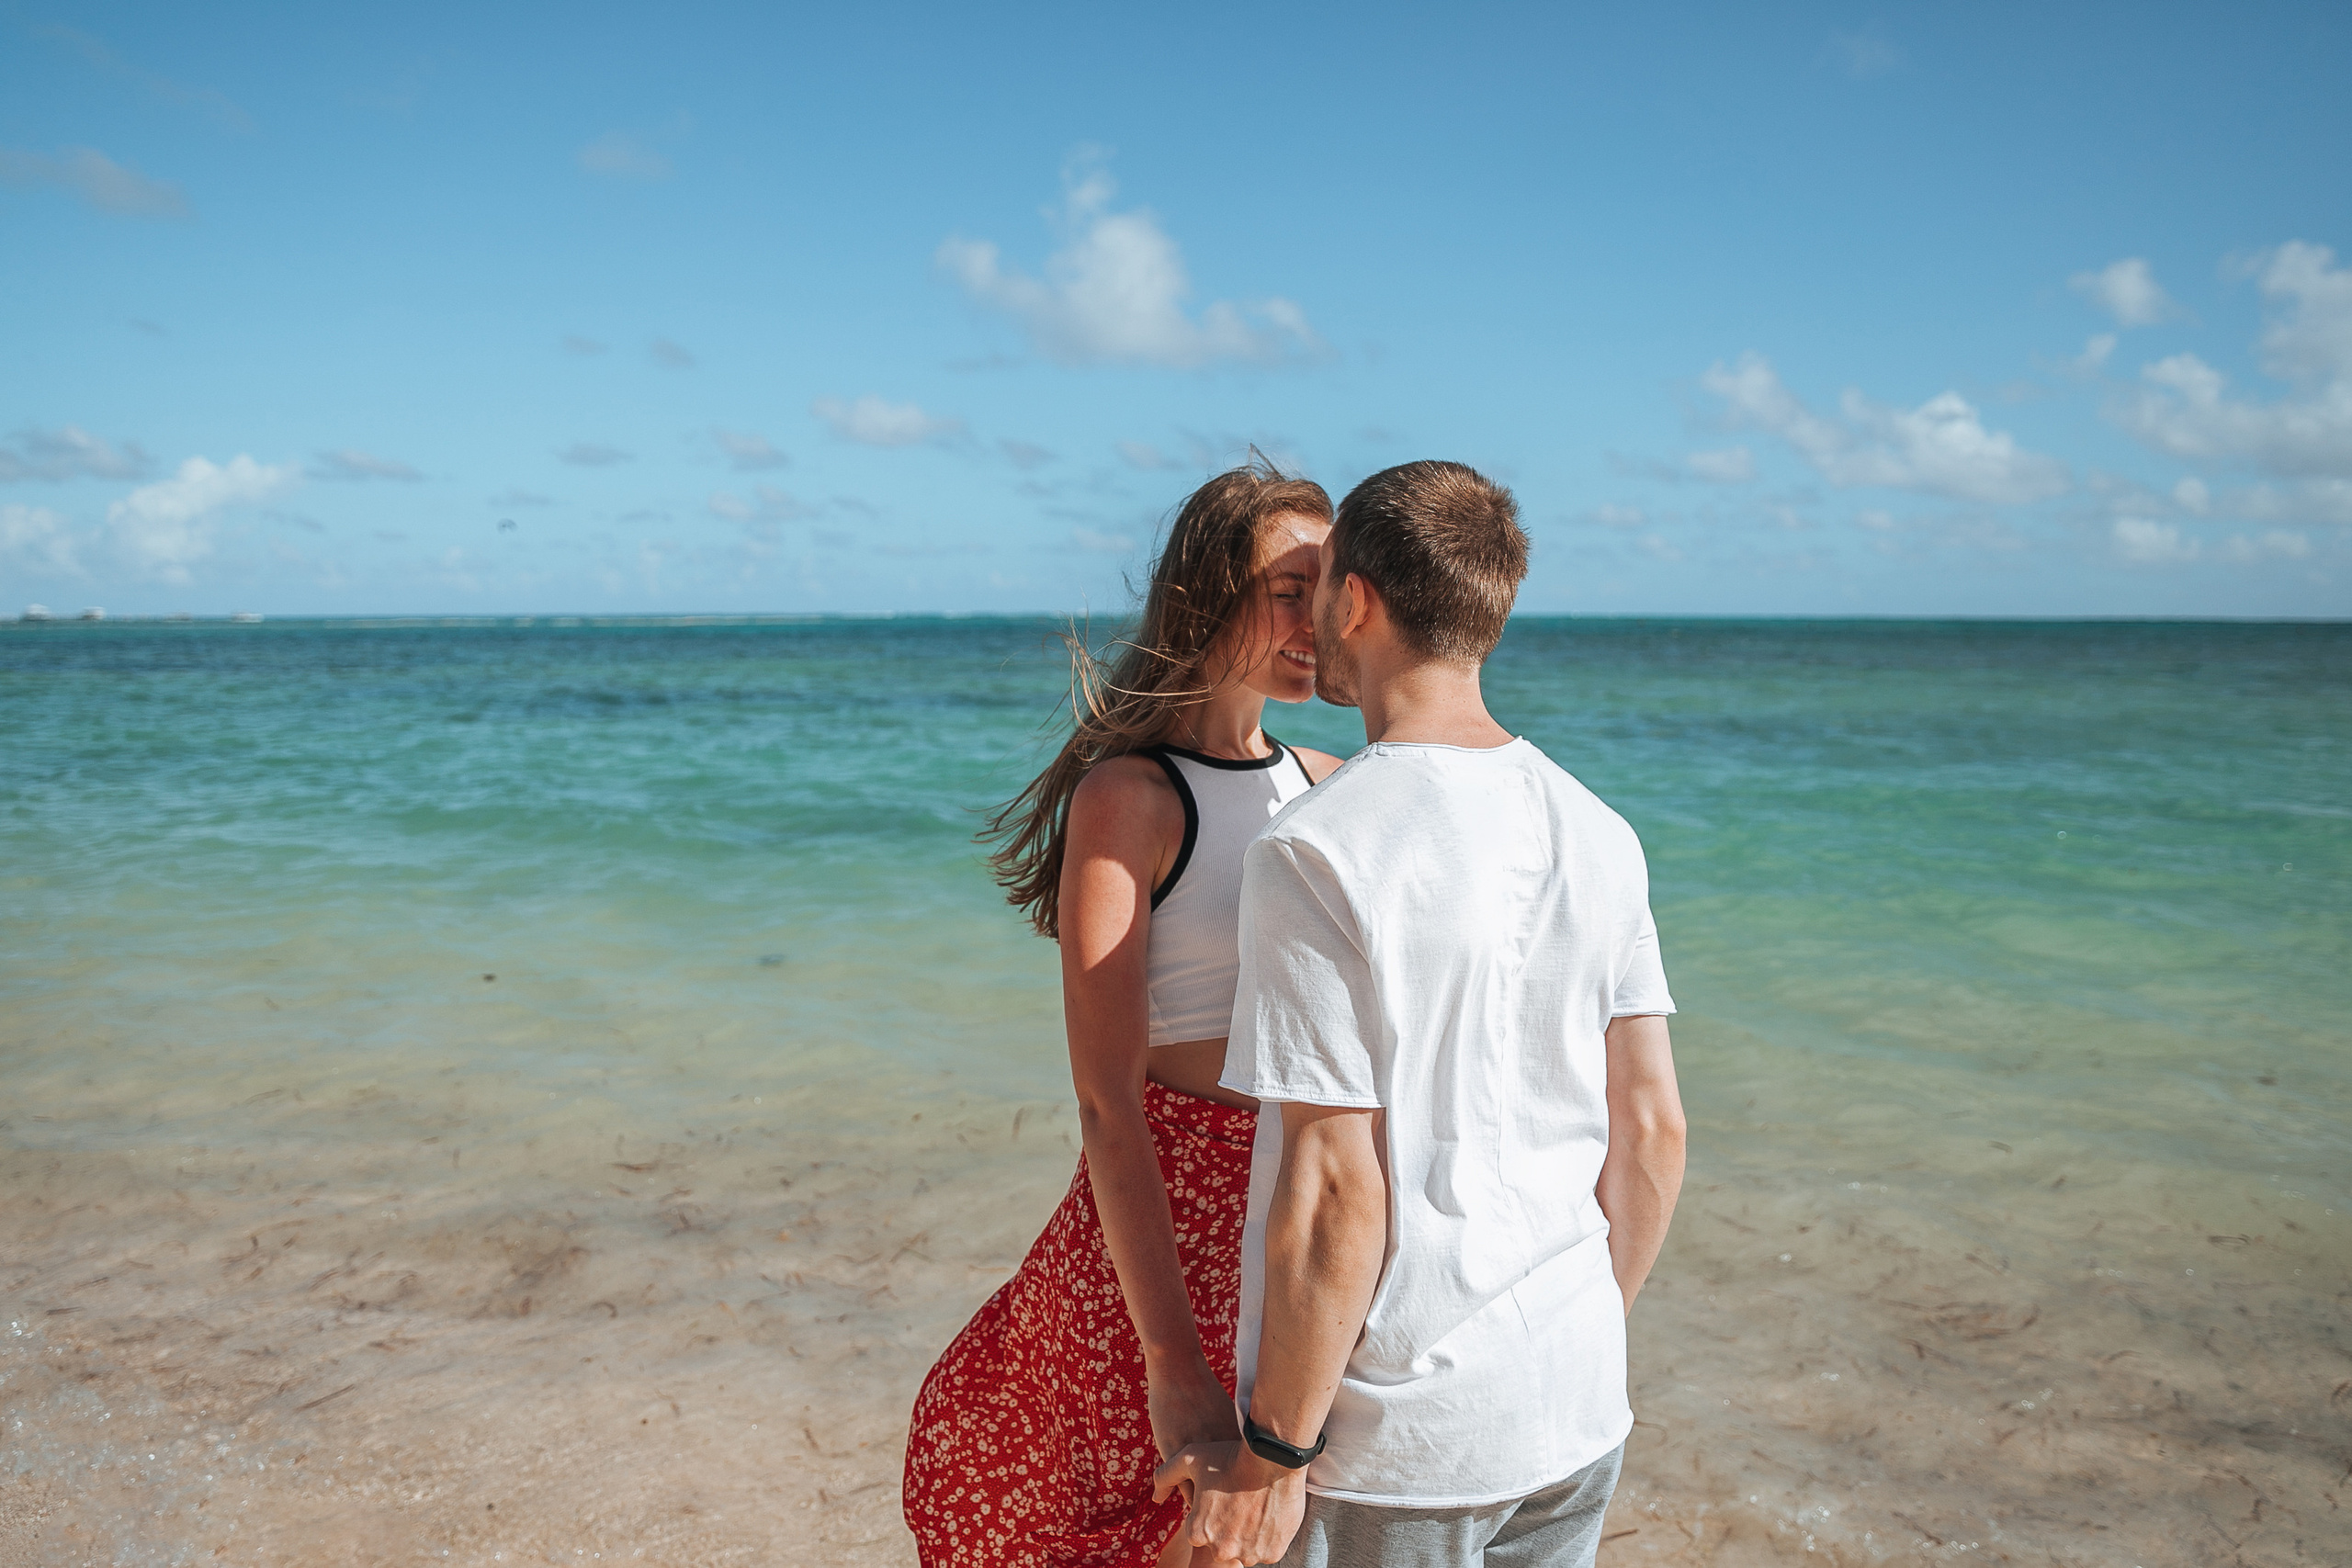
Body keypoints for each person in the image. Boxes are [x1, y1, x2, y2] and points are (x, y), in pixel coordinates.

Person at [1155, 461, 1689, 1568]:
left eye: (1321, 591)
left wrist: (1273, 1455)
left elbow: (1336, 1187)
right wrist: (1568, 1332)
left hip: (1402, 1449)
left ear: (1357, 601)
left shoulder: (1317, 849)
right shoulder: (1601, 831)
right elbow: (1650, 1132)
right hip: (1577, 1403)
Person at [904, 460, 1349, 1568]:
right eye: (1286, 589)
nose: (1317, 618)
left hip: (1296, 1209)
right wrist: (1174, 1360)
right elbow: (1109, 1102)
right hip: (1162, 1242)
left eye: (1330, 588)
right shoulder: (1134, 798)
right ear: (1207, 595)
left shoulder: (1336, 782)